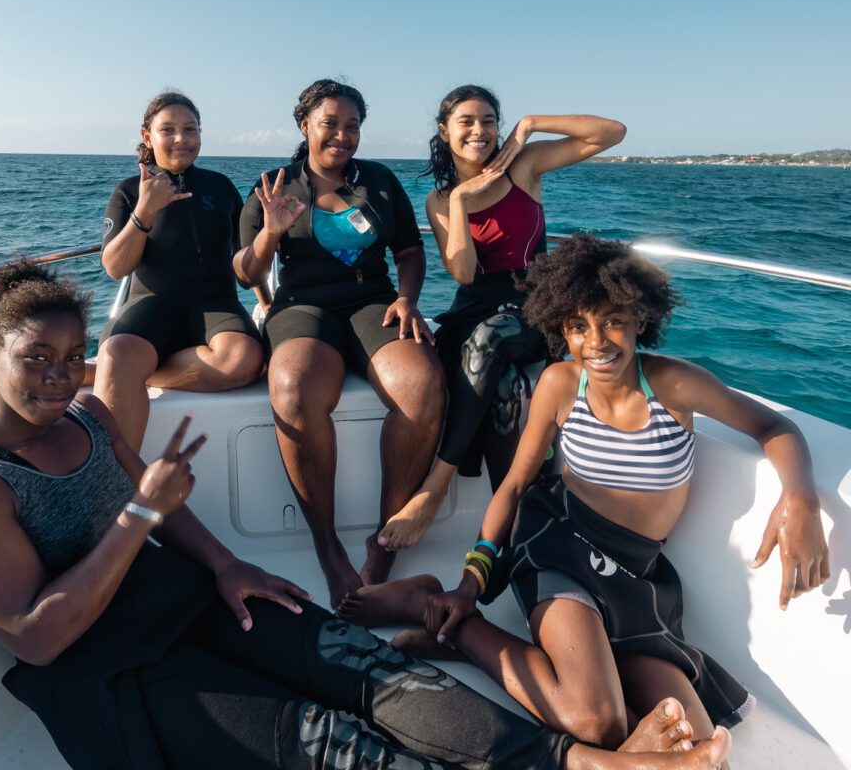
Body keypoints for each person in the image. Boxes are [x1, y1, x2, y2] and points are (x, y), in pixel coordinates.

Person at [0, 259, 734, 770]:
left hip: (182, 597)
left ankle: (583, 765)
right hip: (112, 670)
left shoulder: (91, 419)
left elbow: (165, 513)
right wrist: (139, 514)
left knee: (373, 669)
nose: (62, 377)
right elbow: (39, 634)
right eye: (37, 359)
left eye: (73, 357)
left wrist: (226, 565)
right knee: (335, 742)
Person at [340, 234, 829, 760]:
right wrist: (468, 584)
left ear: (641, 319)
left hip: (636, 582)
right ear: (561, 331)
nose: (597, 340)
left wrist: (799, 499)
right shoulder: (559, 384)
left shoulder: (676, 386)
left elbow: (774, 426)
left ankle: (561, 678)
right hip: (558, 550)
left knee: (699, 739)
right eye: (577, 326)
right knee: (596, 720)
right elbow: (516, 485)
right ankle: (444, 615)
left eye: (612, 320)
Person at [378, 88, 626, 550]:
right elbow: (465, 273)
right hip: (474, 309)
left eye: (489, 121)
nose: (479, 131)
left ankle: (435, 488)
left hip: (539, 304)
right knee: (505, 385)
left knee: (492, 342)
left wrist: (531, 121)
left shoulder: (525, 165)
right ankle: (513, 531)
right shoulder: (438, 201)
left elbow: (611, 132)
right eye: (467, 121)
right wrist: (460, 201)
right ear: (444, 130)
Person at [234, 79, 447, 609]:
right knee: (294, 387)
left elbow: (410, 251)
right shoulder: (273, 185)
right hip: (302, 305)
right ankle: (327, 547)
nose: (343, 135)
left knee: (422, 384)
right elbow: (245, 272)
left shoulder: (376, 181)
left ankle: (384, 542)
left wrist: (408, 298)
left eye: (353, 125)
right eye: (331, 122)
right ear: (304, 123)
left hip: (373, 303)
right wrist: (272, 232)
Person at [93, 91, 263, 450]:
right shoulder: (128, 191)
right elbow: (114, 267)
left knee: (244, 360)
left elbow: (243, 255)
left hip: (216, 304)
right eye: (167, 129)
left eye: (190, 129)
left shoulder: (220, 187)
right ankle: (118, 487)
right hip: (152, 304)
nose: (181, 139)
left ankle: (119, 373)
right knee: (117, 354)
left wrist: (267, 300)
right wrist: (144, 212)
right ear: (147, 137)